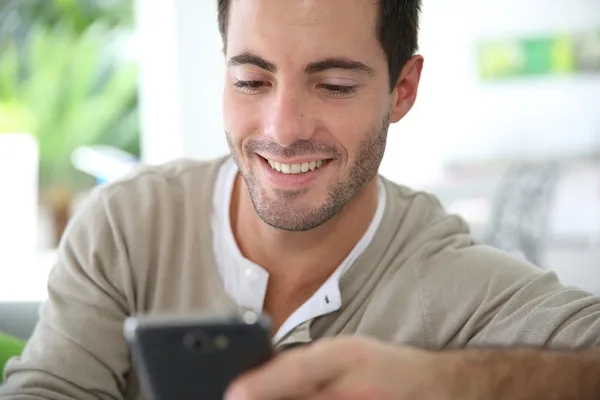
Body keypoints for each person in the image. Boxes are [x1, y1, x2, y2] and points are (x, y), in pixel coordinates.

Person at [2, 0, 600, 398]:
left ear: (403, 90)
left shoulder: (463, 287)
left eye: (334, 84)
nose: (283, 129)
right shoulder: (126, 226)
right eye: (251, 81)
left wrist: (445, 381)